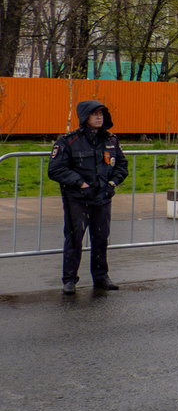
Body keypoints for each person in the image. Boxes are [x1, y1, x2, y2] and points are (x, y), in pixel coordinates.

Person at [48, 100, 128, 294]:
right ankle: (69, 280)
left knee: (101, 238)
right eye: (94, 114)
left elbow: (121, 166)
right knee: (75, 238)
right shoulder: (68, 141)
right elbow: (56, 169)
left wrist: (112, 183)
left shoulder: (111, 140)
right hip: (78, 198)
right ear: (85, 117)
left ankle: (101, 277)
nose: (99, 117)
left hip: (102, 197)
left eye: (101, 113)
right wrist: (79, 182)